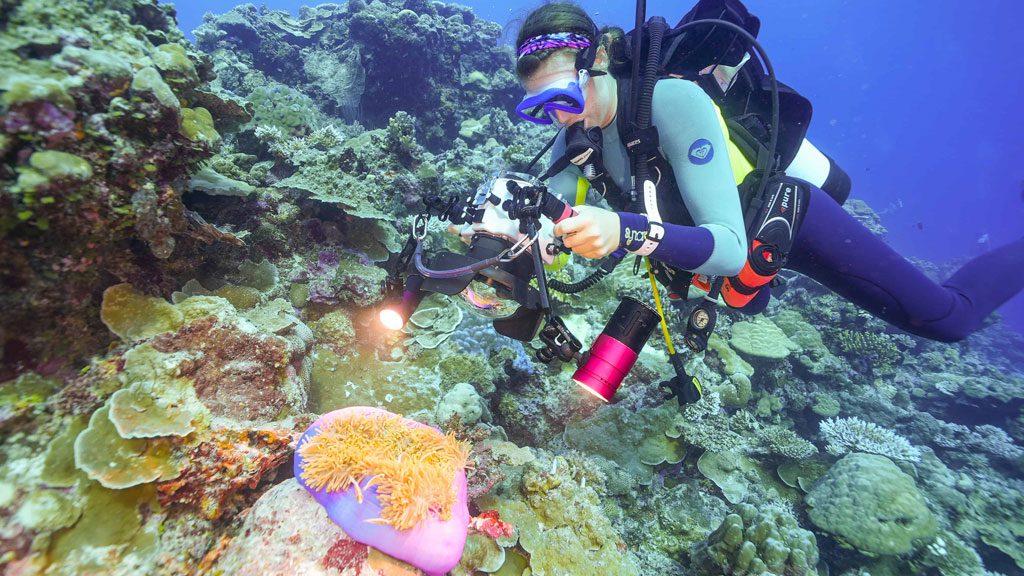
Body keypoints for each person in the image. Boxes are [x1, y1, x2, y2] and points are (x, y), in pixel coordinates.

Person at [512, 2, 1024, 343]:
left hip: (785, 221)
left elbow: (731, 248)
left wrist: (622, 230)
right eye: (541, 108)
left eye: (566, 96)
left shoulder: (671, 103)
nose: (561, 117)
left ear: (598, 59)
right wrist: (505, 234)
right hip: (727, 263)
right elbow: (547, 232)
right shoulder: (575, 138)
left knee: (946, 319)